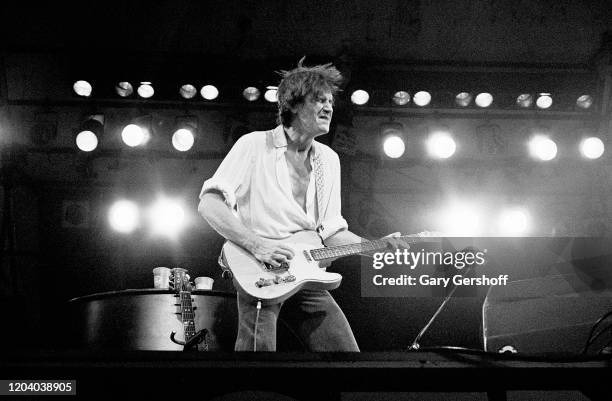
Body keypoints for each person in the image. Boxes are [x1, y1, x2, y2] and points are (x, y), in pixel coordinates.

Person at [198, 58, 403, 352]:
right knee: (258, 357)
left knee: (346, 358)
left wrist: (373, 247)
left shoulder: (328, 160)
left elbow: (332, 232)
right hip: (259, 268)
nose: (329, 107)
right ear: (293, 105)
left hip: (307, 271)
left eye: (330, 101)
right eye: (319, 100)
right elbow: (209, 204)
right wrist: (258, 245)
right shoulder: (253, 145)